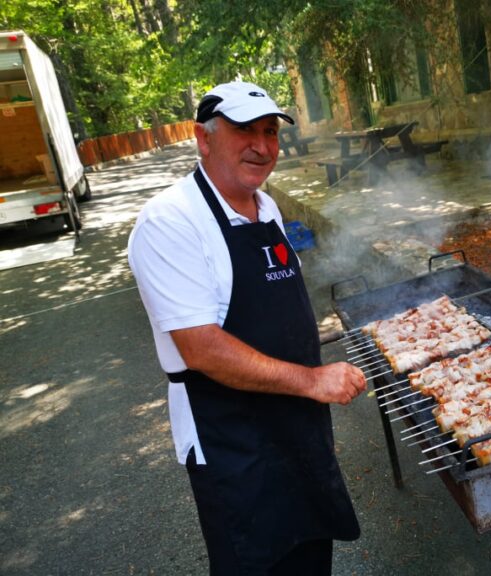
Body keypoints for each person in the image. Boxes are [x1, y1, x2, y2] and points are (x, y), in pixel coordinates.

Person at [127, 81, 366, 575]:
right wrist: (312, 380)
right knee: (258, 561)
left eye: (270, 132)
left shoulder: (266, 206)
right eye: (245, 131)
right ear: (204, 137)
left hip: (297, 422)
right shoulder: (170, 222)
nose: (262, 146)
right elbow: (200, 348)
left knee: (311, 552)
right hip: (231, 437)